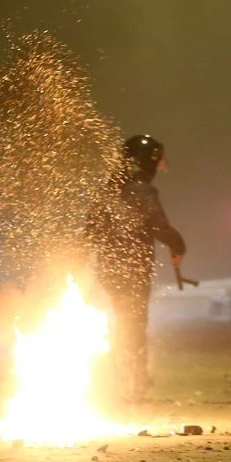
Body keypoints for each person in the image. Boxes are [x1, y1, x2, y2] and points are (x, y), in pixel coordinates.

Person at [86, 134, 187, 400]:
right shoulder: (141, 189)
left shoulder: (108, 188)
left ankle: (115, 381)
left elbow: (90, 231)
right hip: (132, 271)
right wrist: (178, 245)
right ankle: (132, 384)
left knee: (120, 322)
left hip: (108, 270)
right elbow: (158, 226)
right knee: (133, 325)